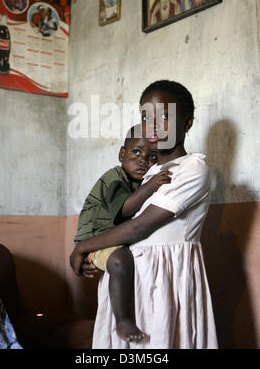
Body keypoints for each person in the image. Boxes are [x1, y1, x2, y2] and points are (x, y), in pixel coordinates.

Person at [70, 80, 218, 349]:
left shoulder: (192, 170)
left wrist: (83, 246)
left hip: (164, 282)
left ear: (187, 123)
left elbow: (139, 228)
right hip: (131, 283)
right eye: (145, 116)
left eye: (164, 116)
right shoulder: (145, 174)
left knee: (162, 340)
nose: (153, 124)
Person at [70, 125, 172, 342]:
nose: (143, 160)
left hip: (109, 239)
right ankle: (123, 320)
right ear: (121, 154)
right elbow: (124, 209)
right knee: (119, 261)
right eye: (136, 152)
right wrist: (151, 186)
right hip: (94, 241)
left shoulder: (137, 182)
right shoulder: (115, 178)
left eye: (151, 157)